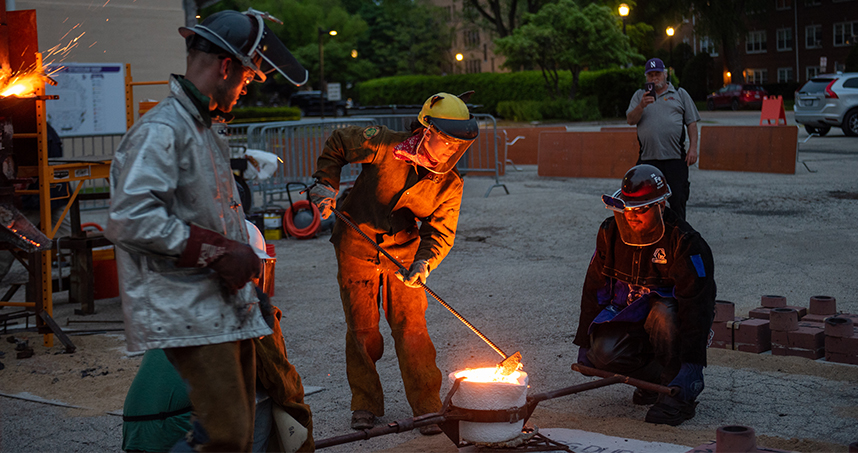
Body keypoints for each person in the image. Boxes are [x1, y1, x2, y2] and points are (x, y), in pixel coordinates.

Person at [105, 9, 308, 451]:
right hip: (190, 310)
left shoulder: (201, 128)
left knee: (233, 430)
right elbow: (130, 218)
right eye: (247, 78)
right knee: (224, 436)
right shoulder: (163, 129)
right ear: (226, 66)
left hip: (219, 305)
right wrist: (220, 252)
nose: (245, 88)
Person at [307, 92, 479, 435]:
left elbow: (441, 232)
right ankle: (365, 403)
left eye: (457, 145)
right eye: (446, 141)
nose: (450, 150)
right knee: (362, 329)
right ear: (426, 130)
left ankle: (427, 407)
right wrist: (326, 183)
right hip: (356, 247)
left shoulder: (449, 183)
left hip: (403, 254)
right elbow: (339, 142)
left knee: (412, 329)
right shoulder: (385, 144)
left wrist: (424, 263)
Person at [573, 164, 716, 426]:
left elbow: (698, 307)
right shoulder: (610, 233)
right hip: (630, 318)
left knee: (663, 313)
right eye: (626, 209)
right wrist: (584, 341)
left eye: (640, 209)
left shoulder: (684, 242)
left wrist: (692, 366)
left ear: (661, 205)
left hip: (669, 325)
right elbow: (594, 287)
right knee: (602, 354)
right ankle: (652, 379)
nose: (631, 216)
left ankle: (678, 391)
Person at [626, 58, 700, 220]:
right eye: (650, 75)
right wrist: (641, 106)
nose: (654, 78)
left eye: (657, 74)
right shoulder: (639, 95)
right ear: (646, 77)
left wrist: (693, 148)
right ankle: (650, 231)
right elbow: (630, 120)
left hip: (675, 158)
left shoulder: (680, 94)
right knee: (645, 202)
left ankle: (679, 232)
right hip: (648, 159)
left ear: (665, 74)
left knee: (678, 200)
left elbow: (692, 123)